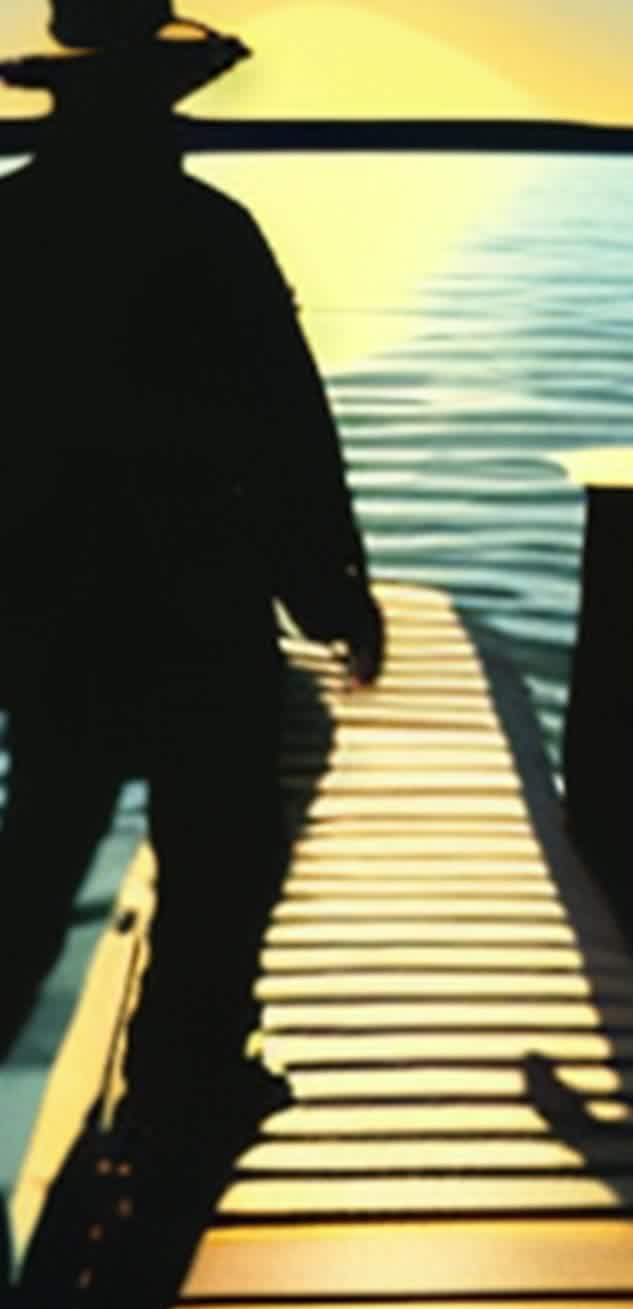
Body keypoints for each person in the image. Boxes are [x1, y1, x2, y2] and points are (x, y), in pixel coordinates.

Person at [0, 3, 383, 1146]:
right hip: (195, 613)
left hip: (46, 612)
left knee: (41, 853)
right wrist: (330, 591)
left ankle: (171, 1072)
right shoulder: (212, 233)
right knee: (222, 853)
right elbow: (285, 432)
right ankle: (184, 1078)